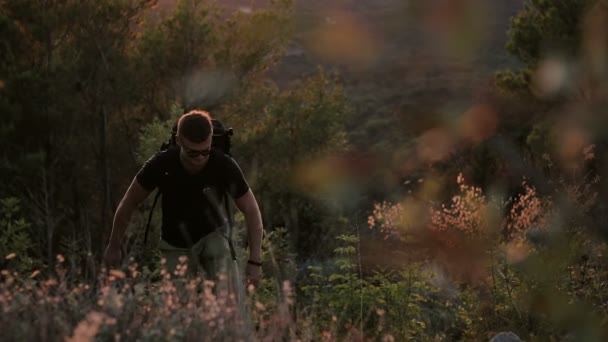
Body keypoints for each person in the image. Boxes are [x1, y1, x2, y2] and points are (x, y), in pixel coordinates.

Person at [103, 110, 263, 290]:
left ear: (211, 140)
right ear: (179, 141)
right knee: (176, 305)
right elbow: (129, 203)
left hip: (213, 234)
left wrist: (255, 262)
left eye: (206, 151)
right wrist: (114, 246)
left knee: (229, 298)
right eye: (193, 153)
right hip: (175, 241)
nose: (201, 158)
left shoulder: (223, 164)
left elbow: (251, 210)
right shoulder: (161, 164)